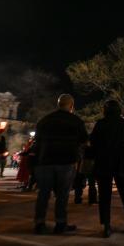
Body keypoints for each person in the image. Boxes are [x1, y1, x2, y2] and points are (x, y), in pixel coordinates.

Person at [32, 94, 88, 235]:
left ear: (59, 104)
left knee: (43, 194)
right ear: (71, 105)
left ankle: (39, 223)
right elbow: (84, 141)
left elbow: (36, 142)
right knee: (62, 195)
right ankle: (60, 223)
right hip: (66, 161)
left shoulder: (44, 120)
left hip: (45, 162)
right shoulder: (75, 121)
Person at [91, 100, 124, 237]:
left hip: (104, 163)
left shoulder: (100, 124)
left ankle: (107, 227)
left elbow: (93, 143)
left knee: (104, 195)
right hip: (123, 163)